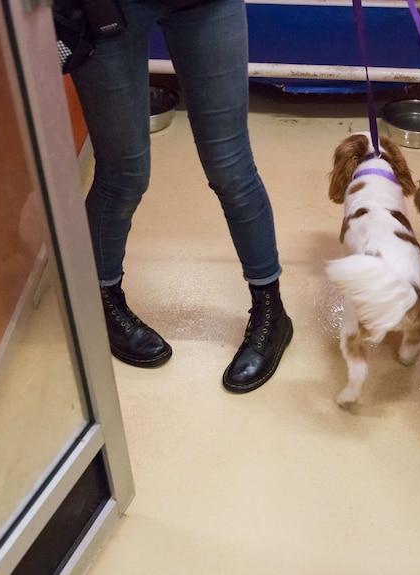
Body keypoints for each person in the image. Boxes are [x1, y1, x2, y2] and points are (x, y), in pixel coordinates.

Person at [65, 0, 293, 393]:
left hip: (206, 4)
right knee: (123, 175)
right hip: (105, 5)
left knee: (231, 167)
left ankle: (272, 311)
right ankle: (100, 300)